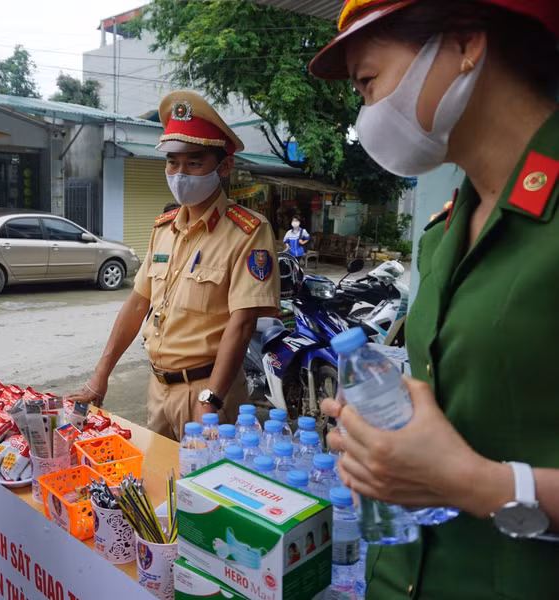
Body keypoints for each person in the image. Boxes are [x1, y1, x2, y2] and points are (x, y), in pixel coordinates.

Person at [309, 1, 559, 598]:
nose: (366, 112)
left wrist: (472, 483)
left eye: (367, 82)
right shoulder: (443, 234)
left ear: (467, 42)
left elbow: (458, 471)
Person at [67, 91, 280, 440]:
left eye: (194, 162)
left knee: (208, 491)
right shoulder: (163, 228)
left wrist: (211, 399)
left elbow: (242, 325)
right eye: (172, 162)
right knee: (160, 485)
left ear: (223, 167)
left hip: (210, 394)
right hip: (158, 388)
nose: (180, 173)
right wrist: (99, 376)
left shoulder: (249, 232)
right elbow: (137, 304)